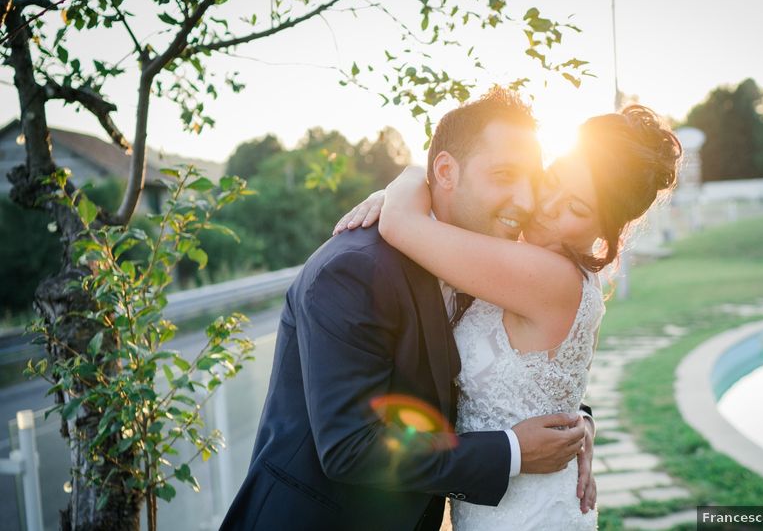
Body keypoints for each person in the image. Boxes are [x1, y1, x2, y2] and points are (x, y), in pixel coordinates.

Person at [221, 87, 594, 531]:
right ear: (445, 172)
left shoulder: (485, 260)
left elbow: (509, 371)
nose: (528, 200)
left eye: (533, 179)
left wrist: (574, 422)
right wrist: (511, 451)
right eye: (504, 175)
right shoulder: (355, 270)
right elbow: (351, 447)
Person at [336, 101, 682, 530]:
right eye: (551, 182)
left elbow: (401, 224)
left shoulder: (548, 275)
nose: (547, 206)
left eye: (576, 208)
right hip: (505, 503)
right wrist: (581, 419)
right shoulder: (530, 256)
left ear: (606, 232)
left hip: (525, 514)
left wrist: (407, 179)